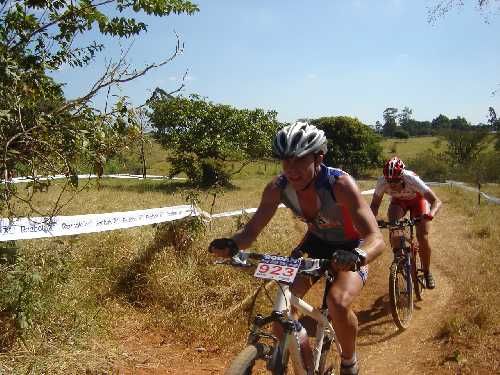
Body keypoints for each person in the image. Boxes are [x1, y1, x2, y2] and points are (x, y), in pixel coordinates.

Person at [209, 121, 385, 375]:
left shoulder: (340, 185)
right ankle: (300, 361)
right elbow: (250, 231)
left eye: (299, 160)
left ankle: (349, 362)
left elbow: (375, 238)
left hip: (351, 247)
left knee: (337, 302)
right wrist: (233, 244)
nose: (291, 169)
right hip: (314, 244)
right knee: (282, 308)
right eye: (285, 161)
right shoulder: (276, 188)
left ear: (318, 157)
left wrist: (358, 256)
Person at [369, 156, 442, 289]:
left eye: (396, 181)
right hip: (398, 202)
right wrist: (371, 220)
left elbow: (436, 201)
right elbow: (374, 206)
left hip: (417, 201)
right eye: (389, 181)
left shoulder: (412, 179)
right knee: (394, 226)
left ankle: (426, 272)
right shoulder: (382, 182)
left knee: (422, 237)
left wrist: (429, 215)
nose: (392, 184)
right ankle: (399, 259)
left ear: (402, 177)